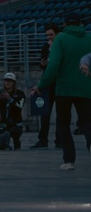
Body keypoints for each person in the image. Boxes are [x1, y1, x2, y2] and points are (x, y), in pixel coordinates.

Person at [38, 11, 91, 169]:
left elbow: (53, 65)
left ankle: (69, 160)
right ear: (80, 23)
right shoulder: (89, 38)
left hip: (64, 89)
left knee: (63, 124)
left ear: (65, 24)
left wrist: (41, 84)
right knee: (88, 122)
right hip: (85, 88)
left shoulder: (61, 38)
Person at [32, 23, 61, 148]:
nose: (49, 37)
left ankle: (59, 140)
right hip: (48, 83)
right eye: (47, 35)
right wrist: (43, 63)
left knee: (61, 114)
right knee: (45, 113)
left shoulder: (61, 45)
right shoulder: (45, 46)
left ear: (57, 34)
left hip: (59, 82)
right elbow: (42, 63)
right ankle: (43, 140)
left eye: (51, 35)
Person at [0, 73, 25, 150]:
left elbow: (20, 107)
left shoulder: (20, 94)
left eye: (10, 81)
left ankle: (16, 141)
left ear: (14, 82)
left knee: (15, 131)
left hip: (14, 123)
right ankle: (2, 143)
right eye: (6, 81)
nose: (7, 83)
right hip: (2, 123)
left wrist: (10, 99)